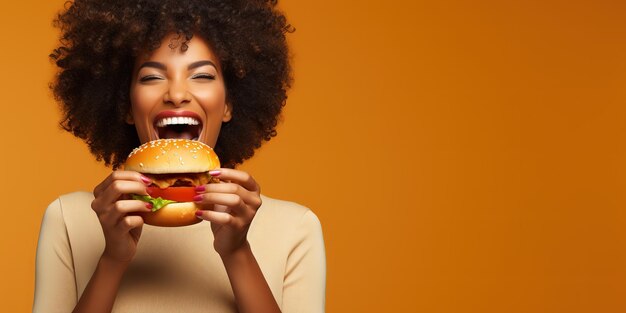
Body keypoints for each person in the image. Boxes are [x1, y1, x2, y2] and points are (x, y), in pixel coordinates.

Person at [33, 0, 326, 312]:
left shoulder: (296, 227)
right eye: (151, 77)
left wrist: (237, 253)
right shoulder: (68, 218)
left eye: (202, 76)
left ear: (228, 104)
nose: (176, 93)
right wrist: (112, 260)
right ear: (126, 105)